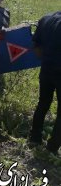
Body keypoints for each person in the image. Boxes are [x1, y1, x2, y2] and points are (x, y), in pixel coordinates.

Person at [29, 11, 61, 155]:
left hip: (47, 68)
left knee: (43, 103)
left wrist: (47, 60)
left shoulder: (46, 19)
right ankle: (53, 146)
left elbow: (36, 47)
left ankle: (35, 137)